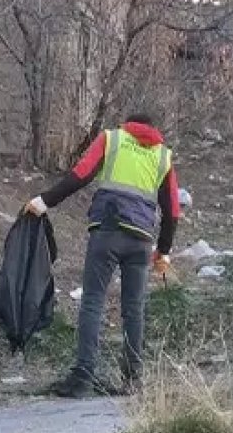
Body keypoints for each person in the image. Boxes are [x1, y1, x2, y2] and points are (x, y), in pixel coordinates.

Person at [25, 113, 181, 398]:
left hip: (108, 231)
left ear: (128, 125)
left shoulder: (113, 139)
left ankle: (83, 377)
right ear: (153, 129)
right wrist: (164, 251)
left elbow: (80, 175)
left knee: (93, 301)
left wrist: (44, 201)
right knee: (134, 308)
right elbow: (172, 209)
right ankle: (133, 380)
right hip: (141, 240)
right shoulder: (163, 156)